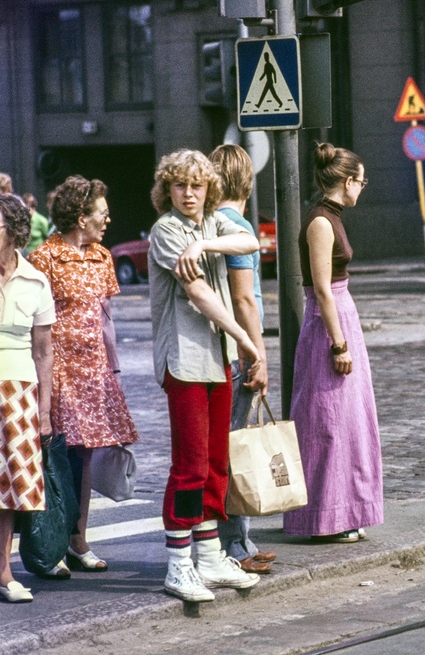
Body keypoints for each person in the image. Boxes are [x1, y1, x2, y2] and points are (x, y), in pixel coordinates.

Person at [148, 149, 263, 602]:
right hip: (185, 360)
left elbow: (251, 242)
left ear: (209, 188)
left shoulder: (210, 225)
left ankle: (211, 555)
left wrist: (206, 244)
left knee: (217, 462)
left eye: (197, 185)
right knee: (190, 465)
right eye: (180, 185)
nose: (189, 193)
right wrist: (246, 338)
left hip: (217, 361)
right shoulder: (166, 231)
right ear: (167, 190)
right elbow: (199, 293)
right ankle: (179, 564)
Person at [26, 175, 138, 576]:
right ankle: (50, 543)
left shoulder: (102, 257)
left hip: (93, 370)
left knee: (85, 457)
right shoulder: (46, 258)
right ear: (79, 216)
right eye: (101, 214)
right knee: (55, 458)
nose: (107, 220)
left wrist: (115, 368)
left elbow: (104, 318)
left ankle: (78, 540)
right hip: (58, 369)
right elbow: (35, 324)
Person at [283, 142, 383, 543]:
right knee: (327, 421)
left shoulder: (332, 217)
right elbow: (322, 289)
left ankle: (344, 511)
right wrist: (339, 345)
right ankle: (324, 516)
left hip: (341, 316)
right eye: (361, 181)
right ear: (346, 181)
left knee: (347, 421)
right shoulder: (321, 222)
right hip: (330, 322)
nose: (363, 188)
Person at [209, 144, 275, 576]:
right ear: (247, 181)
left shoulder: (215, 223)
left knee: (230, 446)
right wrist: (260, 355)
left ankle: (240, 538)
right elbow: (244, 299)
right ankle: (234, 544)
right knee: (237, 447)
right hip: (238, 353)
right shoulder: (236, 227)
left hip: (221, 351)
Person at [0, 193, 55, 603]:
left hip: (18, 391)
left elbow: (43, 351)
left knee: (9, 488)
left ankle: (3, 572)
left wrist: (46, 410)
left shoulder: (36, 281)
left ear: (15, 232)